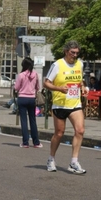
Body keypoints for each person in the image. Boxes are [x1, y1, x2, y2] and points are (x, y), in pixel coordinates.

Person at [43, 40, 87, 174]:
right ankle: (51, 159)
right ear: (66, 52)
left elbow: (79, 79)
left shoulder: (80, 64)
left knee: (80, 130)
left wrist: (83, 87)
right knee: (59, 133)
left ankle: (74, 161)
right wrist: (58, 88)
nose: (74, 55)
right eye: (72, 53)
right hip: (60, 104)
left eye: (77, 53)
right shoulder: (58, 65)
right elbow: (46, 83)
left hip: (75, 104)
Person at [14, 57, 42, 148]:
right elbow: (38, 87)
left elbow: (16, 88)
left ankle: (25, 142)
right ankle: (36, 142)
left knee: (24, 121)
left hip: (22, 98)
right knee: (33, 121)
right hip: (32, 99)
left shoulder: (21, 75)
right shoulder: (36, 74)